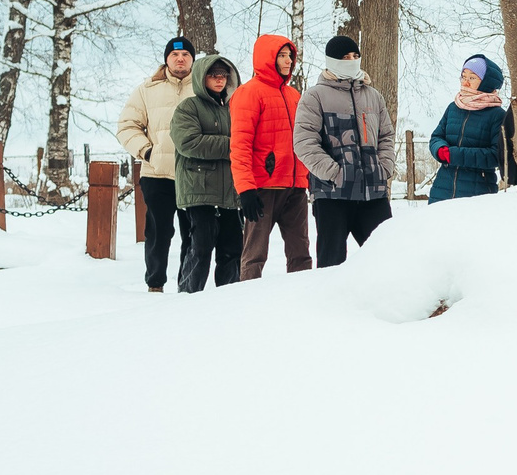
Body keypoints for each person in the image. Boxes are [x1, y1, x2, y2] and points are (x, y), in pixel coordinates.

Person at [294, 35, 394, 266]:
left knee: (388, 258)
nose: (352, 61)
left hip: (373, 192)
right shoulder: (315, 96)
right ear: (332, 61)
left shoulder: (373, 95)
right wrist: (335, 173)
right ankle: (329, 303)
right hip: (332, 194)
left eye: (355, 56)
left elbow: (386, 136)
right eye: (345, 57)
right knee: (332, 262)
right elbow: (304, 142)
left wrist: (384, 167)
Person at [115, 36, 196, 293]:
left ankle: (188, 285)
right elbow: (127, 126)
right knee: (159, 234)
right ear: (166, 59)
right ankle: (155, 284)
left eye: (185, 55)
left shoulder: (203, 87)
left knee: (193, 234)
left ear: (192, 59)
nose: (180, 59)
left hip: (194, 174)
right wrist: (147, 152)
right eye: (175, 55)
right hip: (157, 174)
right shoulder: (147, 89)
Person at [230, 34, 311, 280]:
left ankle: (303, 303)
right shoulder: (249, 93)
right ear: (268, 58)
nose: (288, 61)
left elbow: (306, 140)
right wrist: (245, 189)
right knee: (255, 254)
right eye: (282, 56)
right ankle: (247, 304)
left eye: (290, 56)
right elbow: (240, 144)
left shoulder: (294, 95)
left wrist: (309, 175)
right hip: (263, 188)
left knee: (301, 254)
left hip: (295, 187)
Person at [167, 53, 244, 291]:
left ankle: (228, 298)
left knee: (232, 250)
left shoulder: (236, 108)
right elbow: (189, 143)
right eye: (213, 75)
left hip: (231, 193)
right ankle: (188, 297)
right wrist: (233, 145)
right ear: (202, 77)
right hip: (198, 191)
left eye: (223, 75)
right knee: (199, 249)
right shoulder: (188, 107)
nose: (220, 80)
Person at [429, 55, 517, 200]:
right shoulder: (454, 107)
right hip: (442, 189)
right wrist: (439, 150)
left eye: (472, 78)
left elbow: (495, 155)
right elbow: (437, 136)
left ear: (486, 82)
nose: (465, 82)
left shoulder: (497, 114)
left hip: (478, 193)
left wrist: (454, 155)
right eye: (463, 76)